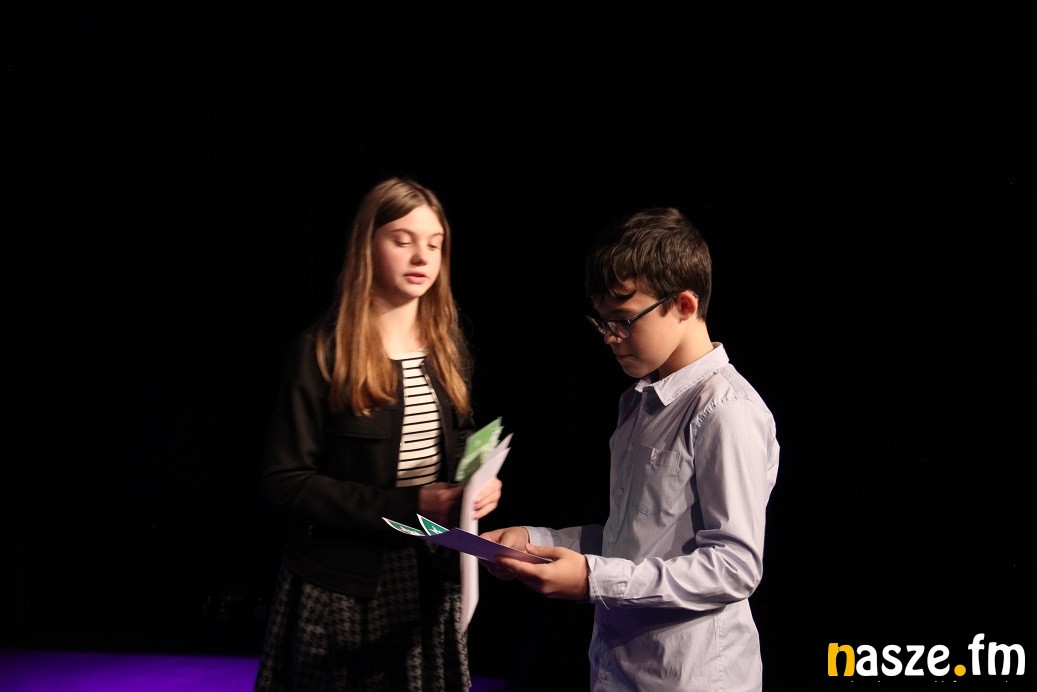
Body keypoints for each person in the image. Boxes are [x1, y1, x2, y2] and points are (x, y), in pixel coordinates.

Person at [481, 207, 779, 691]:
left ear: (684, 305)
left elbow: (735, 567)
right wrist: (536, 541)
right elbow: (635, 543)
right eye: (602, 323)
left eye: (622, 321)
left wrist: (592, 578)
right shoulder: (638, 402)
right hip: (619, 671)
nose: (610, 338)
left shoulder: (727, 411)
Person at [255, 176, 503, 691]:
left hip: (429, 571)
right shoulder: (322, 352)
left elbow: (458, 436)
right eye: (402, 240)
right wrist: (410, 506)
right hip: (344, 587)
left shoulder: (443, 346)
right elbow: (285, 482)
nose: (421, 256)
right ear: (368, 246)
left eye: (434, 244)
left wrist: (476, 483)